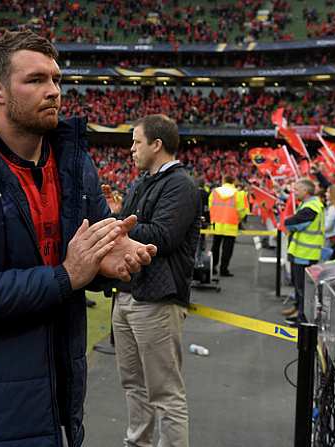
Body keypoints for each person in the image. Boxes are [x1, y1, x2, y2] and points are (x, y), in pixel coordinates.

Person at [0, 30, 156, 447]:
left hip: (61, 386)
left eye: (56, 79)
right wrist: (67, 275)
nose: (53, 91)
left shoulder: (73, 165)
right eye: (35, 80)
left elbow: (90, 252)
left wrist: (110, 263)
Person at [112, 114, 200, 447]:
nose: (131, 148)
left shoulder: (181, 185)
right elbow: (130, 225)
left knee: (165, 393)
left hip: (158, 299)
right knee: (133, 386)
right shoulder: (141, 182)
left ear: (156, 144)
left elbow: (163, 236)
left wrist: (117, 224)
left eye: (136, 141)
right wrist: (118, 219)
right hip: (127, 294)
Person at [283, 178, 325, 324]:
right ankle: (297, 309)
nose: (294, 192)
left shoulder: (312, 207)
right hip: (300, 252)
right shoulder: (308, 204)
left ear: (305, 191)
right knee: (298, 286)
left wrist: (287, 221)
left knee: (303, 289)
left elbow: (295, 222)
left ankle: (303, 319)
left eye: (297, 189)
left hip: (306, 254)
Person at [208, 174, 247, 276]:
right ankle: (223, 269)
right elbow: (242, 210)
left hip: (217, 223)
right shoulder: (238, 194)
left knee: (215, 247)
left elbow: (210, 206)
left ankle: (213, 267)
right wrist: (238, 219)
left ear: (223, 180)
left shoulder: (215, 192)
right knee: (227, 249)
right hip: (231, 224)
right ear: (233, 182)